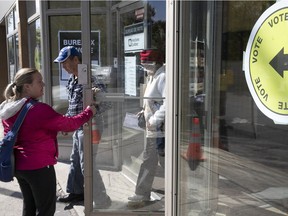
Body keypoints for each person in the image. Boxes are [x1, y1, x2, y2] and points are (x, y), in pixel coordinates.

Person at [0, 68, 96, 216]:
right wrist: (90, 111)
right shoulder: (38, 109)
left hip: (19, 166)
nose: (43, 84)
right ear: (27, 87)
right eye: (39, 81)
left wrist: (54, 128)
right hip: (38, 167)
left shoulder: (9, 108)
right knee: (46, 210)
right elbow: (69, 124)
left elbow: (30, 130)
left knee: (29, 207)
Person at [54, 46, 112, 208]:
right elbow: (73, 105)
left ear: (76, 60)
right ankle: (76, 192)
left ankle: (102, 200)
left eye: (65, 62)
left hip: (91, 127)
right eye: (61, 64)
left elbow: (106, 103)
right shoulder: (73, 79)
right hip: (79, 126)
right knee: (76, 160)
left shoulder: (91, 79)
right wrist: (67, 122)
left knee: (87, 164)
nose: (63, 67)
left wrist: (96, 99)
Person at [128, 49, 165, 202]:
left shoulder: (163, 76)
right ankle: (143, 194)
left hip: (159, 130)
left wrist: (154, 120)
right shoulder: (153, 76)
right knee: (157, 161)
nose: (144, 66)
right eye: (143, 63)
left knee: (150, 161)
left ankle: (142, 194)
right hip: (154, 129)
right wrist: (144, 112)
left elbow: (168, 103)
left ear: (155, 63)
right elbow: (154, 100)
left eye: (147, 63)